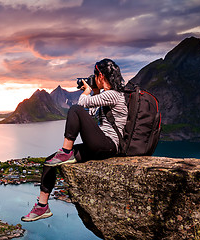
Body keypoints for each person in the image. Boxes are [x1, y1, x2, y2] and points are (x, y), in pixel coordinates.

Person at [21, 58, 128, 222]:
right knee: (50, 160)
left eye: (95, 74)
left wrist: (86, 92)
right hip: (99, 145)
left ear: (100, 75)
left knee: (75, 109)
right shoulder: (105, 96)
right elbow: (90, 116)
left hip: (109, 146)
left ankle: (66, 151)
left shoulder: (114, 95)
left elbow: (81, 104)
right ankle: (42, 206)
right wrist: (95, 92)